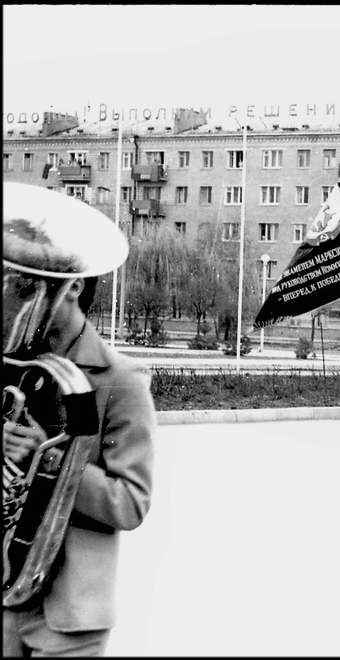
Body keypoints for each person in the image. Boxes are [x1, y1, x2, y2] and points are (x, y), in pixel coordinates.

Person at [3, 182, 156, 657]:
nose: (13, 301)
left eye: (26, 288)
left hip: (70, 616)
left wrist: (49, 457)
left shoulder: (122, 380)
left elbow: (130, 503)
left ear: (72, 287)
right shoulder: (13, 366)